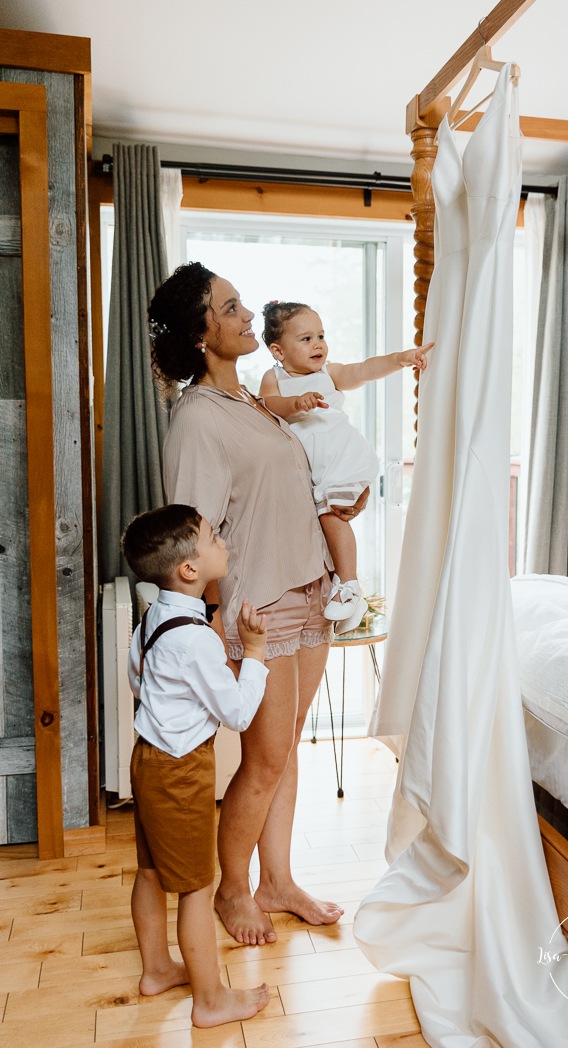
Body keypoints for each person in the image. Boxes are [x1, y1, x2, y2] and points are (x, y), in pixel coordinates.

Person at [148, 262, 361, 947]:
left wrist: (340, 502)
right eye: (230, 308)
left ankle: (278, 881)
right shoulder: (198, 419)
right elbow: (192, 531)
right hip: (257, 607)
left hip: (308, 587)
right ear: (200, 331)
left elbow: (287, 485)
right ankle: (234, 891)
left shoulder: (254, 403)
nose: (246, 317)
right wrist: (211, 618)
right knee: (263, 759)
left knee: (283, 751)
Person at [121, 503, 270, 1026]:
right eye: (212, 537)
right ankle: (210, 1001)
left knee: (150, 870)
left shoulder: (153, 618)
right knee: (196, 886)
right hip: (181, 771)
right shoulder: (197, 640)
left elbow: (139, 681)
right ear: (189, 569)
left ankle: (158, 968)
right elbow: (236, 712)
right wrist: (253, 652)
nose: (222, 541)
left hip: (149, 759)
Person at [259, 301, 432, 631]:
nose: (318, 345)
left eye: (321, 336)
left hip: (341, 458)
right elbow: (268, 404)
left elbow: (363, 370)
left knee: (331, 517)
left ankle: (349, 586)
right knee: (322, 523)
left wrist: (400, 359)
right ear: (278, 351)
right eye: (306, 338)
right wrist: (296, 402)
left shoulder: (328, 374)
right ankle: (347, 592)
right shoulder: (274, 377)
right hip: (314, 467)